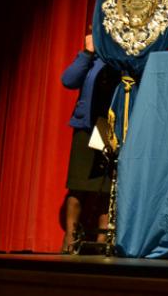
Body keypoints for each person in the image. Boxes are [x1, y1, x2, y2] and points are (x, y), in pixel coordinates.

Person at [61, 33, 119, 253]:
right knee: (78, 185)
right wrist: (87, 52)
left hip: (110, 128)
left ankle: (103, 242)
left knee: (106, 189)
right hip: (87, 127)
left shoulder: (121, 60)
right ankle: (70, 238)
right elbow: (68, 80)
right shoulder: (91, 60)